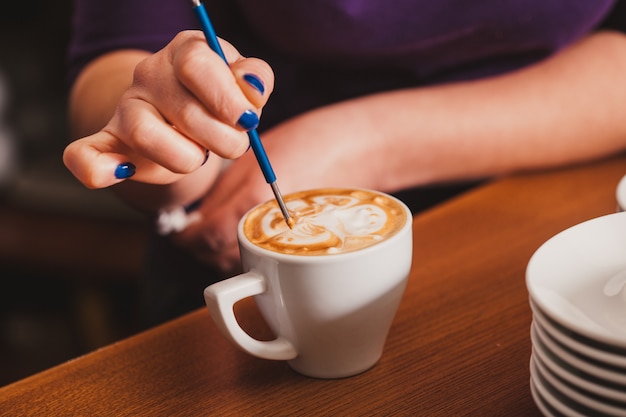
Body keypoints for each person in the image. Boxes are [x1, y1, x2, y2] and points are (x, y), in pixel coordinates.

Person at [64, 0, 626, 324]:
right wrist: (166, 136)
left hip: (564, 236)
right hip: (247, 278)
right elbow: (117, 57)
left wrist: (367, 141)